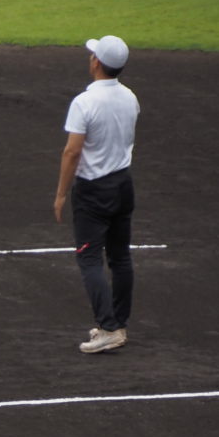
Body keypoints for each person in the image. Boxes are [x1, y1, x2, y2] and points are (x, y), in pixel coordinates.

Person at [54, 34, 140, 355]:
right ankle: (118, 322)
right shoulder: (130, 97)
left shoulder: (84, 103)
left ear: (97, 63)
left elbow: (72, 152)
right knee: (120, 257)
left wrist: (62, 194)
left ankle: (108, 328)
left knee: (90, 258)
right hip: (123, 185)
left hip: (94, 191)